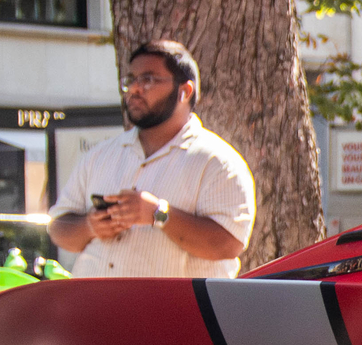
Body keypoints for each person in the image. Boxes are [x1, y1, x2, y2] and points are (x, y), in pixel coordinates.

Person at [50, 40, 256, 278]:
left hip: (170, 313)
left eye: (148, 79)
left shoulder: (217, 162)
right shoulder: (100, 155)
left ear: (185, 91)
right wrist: (90, 226)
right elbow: (58, 228)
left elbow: (228, 245)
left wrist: (158, 214)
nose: (135, 89)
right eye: (130, 80)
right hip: (95, 310)